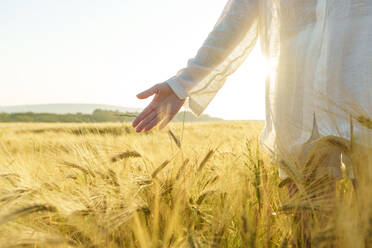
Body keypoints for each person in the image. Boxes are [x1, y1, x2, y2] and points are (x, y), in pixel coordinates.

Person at [132, 0, 372, 182]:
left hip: (362, 88)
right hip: (295, 100)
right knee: (309, 233)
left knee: (366, 226)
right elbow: (239, 14)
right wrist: (184, 83)